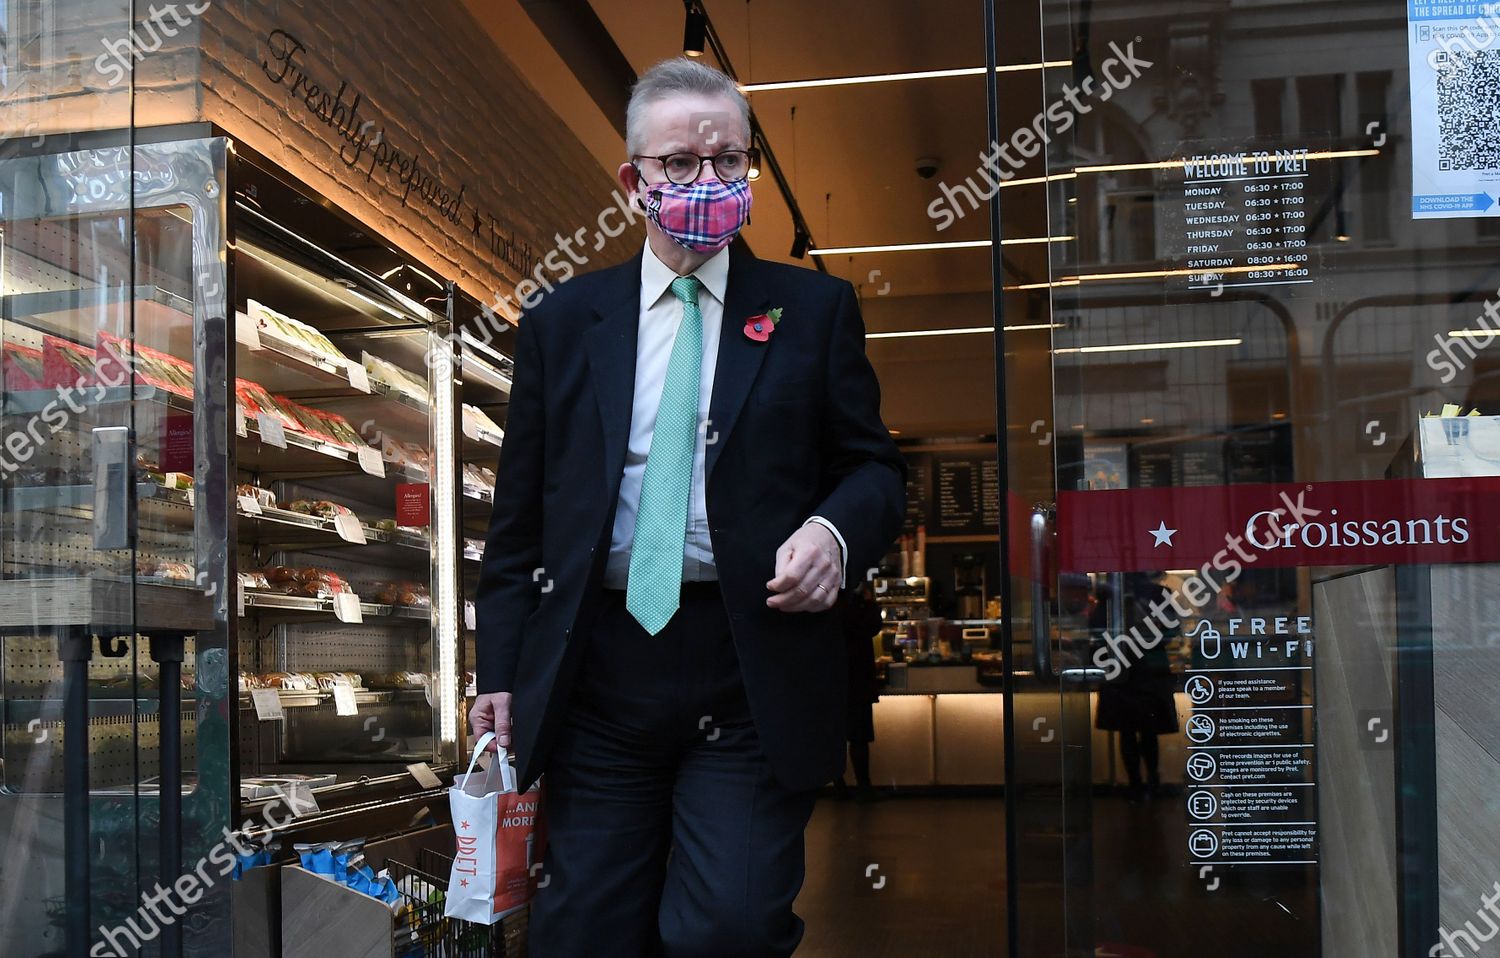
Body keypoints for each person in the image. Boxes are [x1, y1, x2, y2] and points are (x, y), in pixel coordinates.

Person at [469, 57, 906, 958]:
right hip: (597, 669)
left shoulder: (812, 310)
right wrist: (499, 674)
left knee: (729, 927)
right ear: (633, 182)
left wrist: (832, 530)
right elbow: (518, 523)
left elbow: (873, 470)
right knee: (584, 930)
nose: (707, 181)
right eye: (679, 164)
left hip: (749, 663)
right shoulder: (563, 324)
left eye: (729, 159)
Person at [1093, 571, 1180, 801]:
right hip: (1149, 668)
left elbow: (1095, 630)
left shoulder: (1109, 596)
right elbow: (1172, 630)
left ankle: (1136, 784)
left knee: (1127, 731)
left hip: (1120, 667)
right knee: (1147, 730)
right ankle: (1151, 781)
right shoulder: (1159, 594)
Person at [835, 581, 883, 802]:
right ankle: (863, 786)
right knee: (859, 738)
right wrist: (869, 601)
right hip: (859, 679)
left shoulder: (832, 602)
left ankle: (839, 786)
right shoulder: (861, 606)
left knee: (836, 737)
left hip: (835, 678)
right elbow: (874, 627)